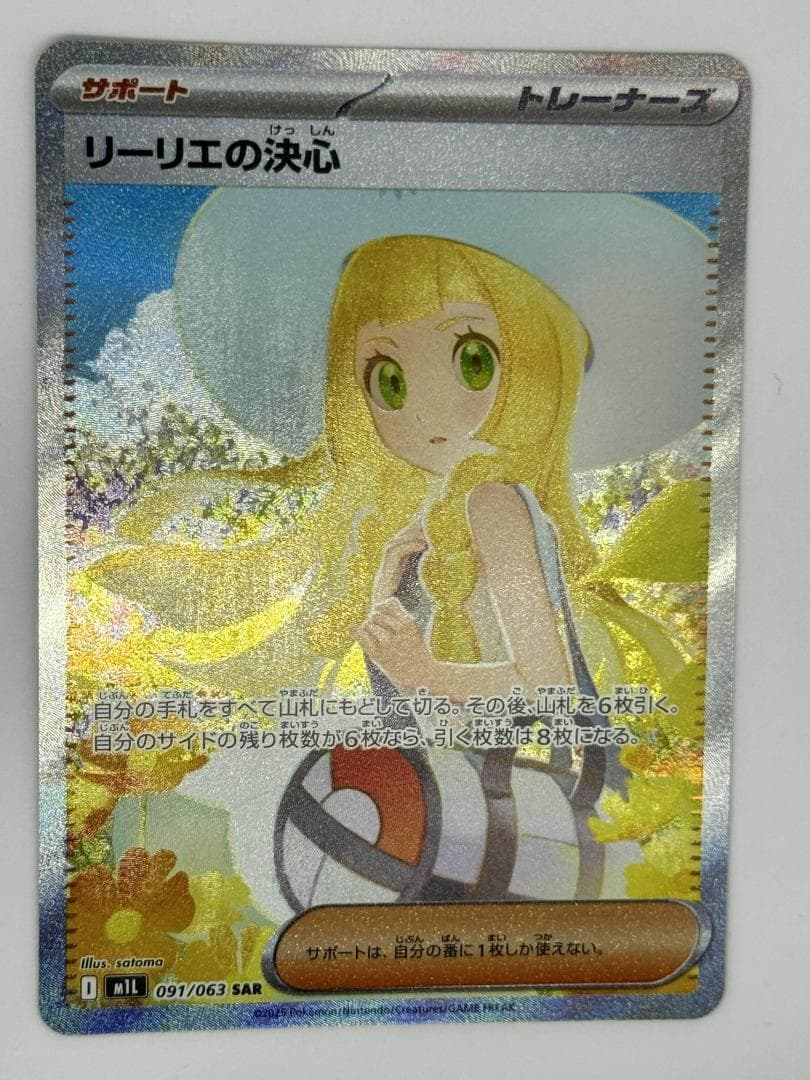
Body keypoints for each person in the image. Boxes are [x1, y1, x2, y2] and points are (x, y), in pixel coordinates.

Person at [92, 234, 686, 913]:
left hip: (519, 821)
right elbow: (429, 704)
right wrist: (388, 602)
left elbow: (551, 691)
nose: (425, 411)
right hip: (478, 814)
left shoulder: (495, 504)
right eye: (390, 380)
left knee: (245, 792)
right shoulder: (444, 519)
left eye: (471, 361)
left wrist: (426, 673)